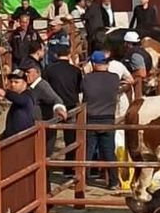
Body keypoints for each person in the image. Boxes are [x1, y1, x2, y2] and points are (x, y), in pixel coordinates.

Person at [21, 58, 68, 190]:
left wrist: (59, 108)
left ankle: (44, 191)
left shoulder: (42, 86)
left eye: (28, 72)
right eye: (25, 72)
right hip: (37, 130)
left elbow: (56, 99)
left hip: (44, 132)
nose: (26, 75)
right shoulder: (32, 86)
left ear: (36, 72)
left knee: (42, 162)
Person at [82, 51, 121, 190]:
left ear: (92, 63)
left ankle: (82, 181)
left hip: (91, 118)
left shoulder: (87, 79)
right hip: (108, 118)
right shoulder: (115, 78)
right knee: (110, 152)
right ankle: (114, 181)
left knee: (87, 151)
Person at [43, 45, 83, 174]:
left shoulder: (49, 70)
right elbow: (79, 88)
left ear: (55, 55)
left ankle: (46, 164)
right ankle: (69, 168)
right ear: (69, 54)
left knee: (50, 138)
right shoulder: (75, 71)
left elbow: (45, 87)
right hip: (71, 106)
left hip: (53, 107)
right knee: (70, 138)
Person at [0, 69, 37, 140]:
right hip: (13, 139)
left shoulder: (27, 96)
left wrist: (5, 93)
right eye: (11, 82)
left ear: (25, 83)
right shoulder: (17, 99)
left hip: (23, 140)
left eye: (16, 82)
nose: (12, 84)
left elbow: (20, 100)